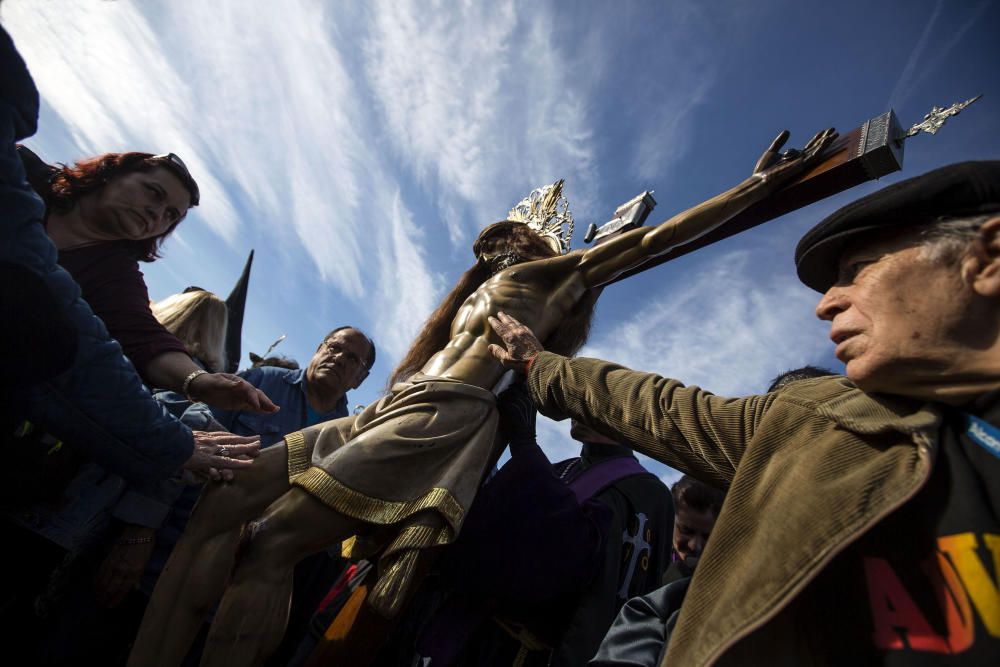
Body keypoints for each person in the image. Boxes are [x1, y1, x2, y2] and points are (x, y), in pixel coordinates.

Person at [129, 123, 836, 666]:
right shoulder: (476, 297)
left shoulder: (557, 277)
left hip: (441, 419)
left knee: (274, 544)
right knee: (226, 502)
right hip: (396, 406)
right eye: (496, 239)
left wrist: (755, 188)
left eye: (513, 237)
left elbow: (653, 243)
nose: (500, 247)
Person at [490, 161, 1000, 664]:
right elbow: (665, 410)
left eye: (856, 271)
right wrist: (540, 365)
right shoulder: (820, 421)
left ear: (989, 259)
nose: (827, 305)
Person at [0, 27, 260, 488]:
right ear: (113, 172)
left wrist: (198, 383)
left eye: (169, 215)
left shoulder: (115, 274)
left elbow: (145, 340)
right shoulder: (21, 172)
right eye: (153, 193)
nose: (156, 214)